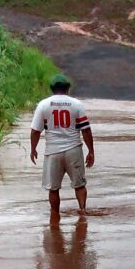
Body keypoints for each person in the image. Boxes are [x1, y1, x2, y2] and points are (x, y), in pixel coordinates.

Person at [30, 74, 95, 221]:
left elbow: (35, 131)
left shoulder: (43, 105)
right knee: (79, 185)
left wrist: (33, 149)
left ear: (52, 89)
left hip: (52, 152)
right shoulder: (77, 104)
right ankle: (83, 212)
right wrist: (91, 151)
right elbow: (86, 130)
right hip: (74, 150)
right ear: (68, 88)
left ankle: (55, 217)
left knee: (53, 188)